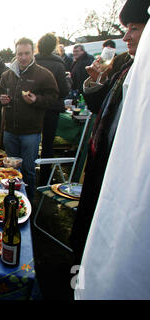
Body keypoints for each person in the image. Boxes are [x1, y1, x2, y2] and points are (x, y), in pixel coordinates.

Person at [75, 11, 150, 300]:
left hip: (126, 173)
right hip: (102, 162)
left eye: (134, 28)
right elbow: (100, 106)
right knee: (90, 233)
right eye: (125, 28)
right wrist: (95, 82)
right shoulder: (126, 65)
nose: (126, 36)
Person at [0, 38, 59, 201]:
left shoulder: (44, 74)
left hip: (30, 133)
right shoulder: (7, 74)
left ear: (33, 53)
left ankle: (28, 202)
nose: (23, 57)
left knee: (28, 169)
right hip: (10, 131)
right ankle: (12, 199)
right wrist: (1, 99)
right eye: (20, 54)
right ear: (15, 54)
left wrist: (37, 100)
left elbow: (54, 97)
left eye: (27, 53)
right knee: (11, 170)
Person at [35, 33, 71, 186]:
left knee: (32, 140)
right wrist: (68, 80)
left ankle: (30, 172)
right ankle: (44, 177)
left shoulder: (33, 61)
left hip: (34, 106)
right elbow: (63, 91)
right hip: (51, 109)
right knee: (48, 144)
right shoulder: (58, 64)